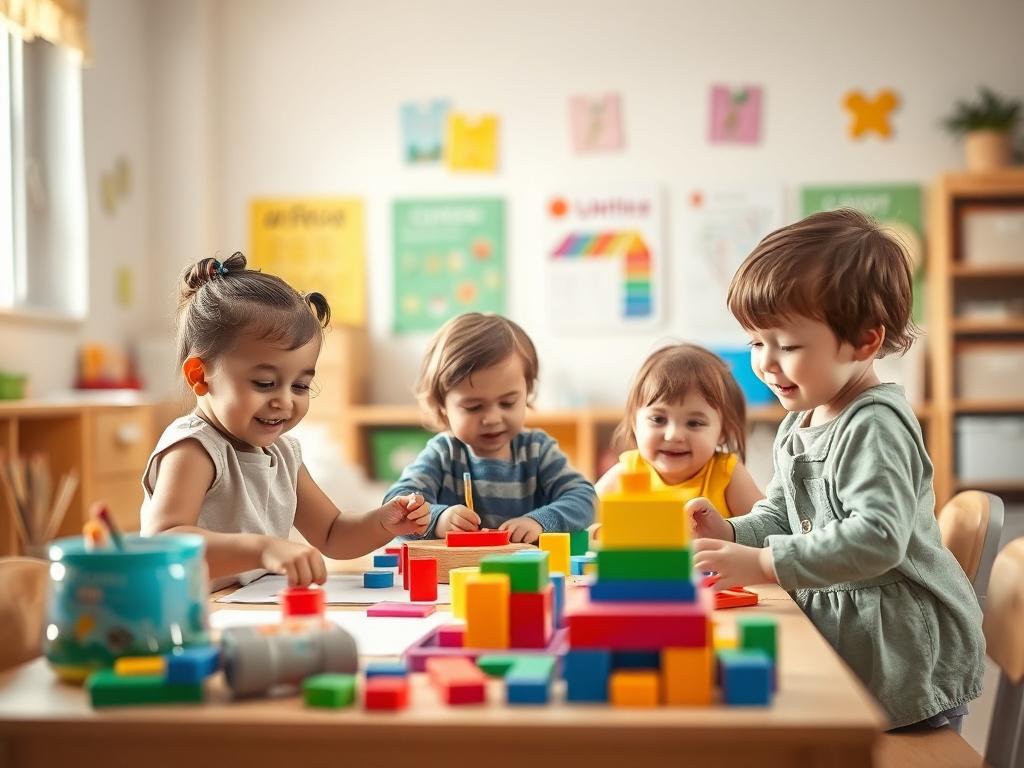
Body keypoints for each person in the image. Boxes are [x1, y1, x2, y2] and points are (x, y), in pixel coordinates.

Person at [690, 209, 984, 730]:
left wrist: (761, 564)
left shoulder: (874, 425)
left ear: (866, 341)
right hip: (852, 639)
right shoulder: (803, 416)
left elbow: (878, 538)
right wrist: (732, 531)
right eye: (757, 342)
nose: (765, 363)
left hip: (900, 659)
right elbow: (783, 512)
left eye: (790, 346)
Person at [141, 252, 429, 589]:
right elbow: (164, 541)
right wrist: (262, 549)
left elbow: (333, 533)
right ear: (200, 375)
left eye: (301, 386)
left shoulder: (284, 454)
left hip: (245, 608)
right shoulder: (194, 448)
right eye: (264, 383)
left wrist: (383, 523)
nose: (285, 400)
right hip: (184, 614)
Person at [384, 312, 596, 544]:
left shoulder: (537, 450)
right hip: (452, 576)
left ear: (527, 392)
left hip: (524, 575)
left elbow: (585, 499)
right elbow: (395, 507)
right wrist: (439, 518)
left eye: (507, 402)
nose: (492, 418)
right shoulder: (443, 453)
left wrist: (540, 522)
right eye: (473, 407)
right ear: (442, 405)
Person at [595, 343, 762, 519]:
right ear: (635, 424)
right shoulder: (628, 471)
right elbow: (580, 515)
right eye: (658, 419)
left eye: (694, 423)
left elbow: (765, 527)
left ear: (723, 432)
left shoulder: (726, 474)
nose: (673, 435)